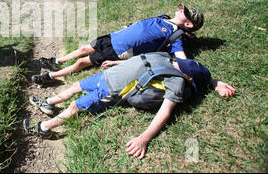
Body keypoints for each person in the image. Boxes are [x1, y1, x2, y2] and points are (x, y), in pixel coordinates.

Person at [23, 52, 236, 159]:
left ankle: (45, 128)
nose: (175, 63)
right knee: (75, 87)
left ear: (187, 77)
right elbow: (138, 59)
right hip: (107, 75)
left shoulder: (177, 82)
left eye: (180, 66)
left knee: (74, 107)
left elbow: (165, 113)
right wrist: (116, 63)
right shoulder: (169, 58)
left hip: (110, 91)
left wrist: (144, 138)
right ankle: (49, 103)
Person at [32, 4, 204, 84]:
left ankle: (50, 77)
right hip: (115, 36)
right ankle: (56, 62)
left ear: (189, 24)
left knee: (82, 62)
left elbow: (182, 60)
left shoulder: (175, 37)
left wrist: (203, 78)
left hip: (119, 49)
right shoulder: (164, 17)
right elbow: (144, 25)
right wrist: (130, 26)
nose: (181, 9)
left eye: (185, 12)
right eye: (183, 8)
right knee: (84, 48)